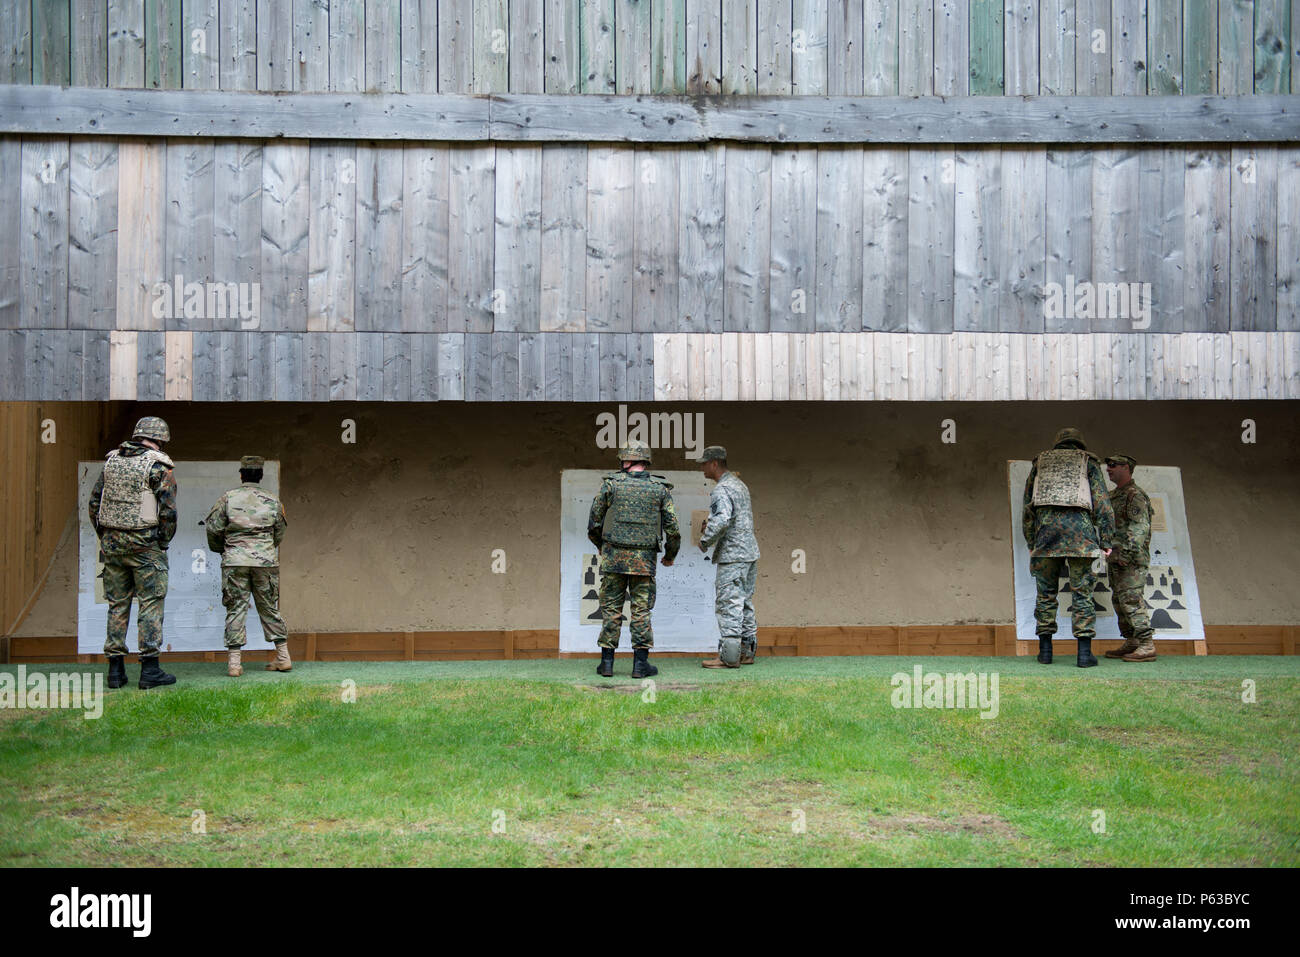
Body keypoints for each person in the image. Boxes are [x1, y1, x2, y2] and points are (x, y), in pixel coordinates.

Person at [87, 415, 178, 690]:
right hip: (145, 547)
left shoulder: (111, 462)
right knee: (150, 604)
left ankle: (115, 672)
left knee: (117, 605)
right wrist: (162, 541)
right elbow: (169, 512)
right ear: (159, 439)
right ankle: (149, 670)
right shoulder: (159, 466)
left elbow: (94, 504)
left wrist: (106, 536)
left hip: (113, 546)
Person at [1023, 427, 1115, 667]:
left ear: (1057, 444)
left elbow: (1028, 506)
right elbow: (1102, 503)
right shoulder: (1088, 462)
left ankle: (1045, 652)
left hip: (1046, 537)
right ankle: (1084, 654)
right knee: (1082, 593)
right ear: (1080, 444)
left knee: (1045, 594)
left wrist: (1032, 542)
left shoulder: (1040, 463)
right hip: (1081, 538)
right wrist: (1106, 540)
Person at [587, 445, 681, 678]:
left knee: (611, 609)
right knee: (641, 611)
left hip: (614, 560)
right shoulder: (659, 489)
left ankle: (607, 664)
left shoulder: (610, 485)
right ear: (646, 462)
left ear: (625, 461)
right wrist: (670, 556)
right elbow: (673, 529)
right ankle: (640, 665)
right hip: (643, 561)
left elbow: (594, 523)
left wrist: (601, 546)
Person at [205, 456, 290, 676]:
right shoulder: (273, 500)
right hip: (265, 562)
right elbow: (279, 532)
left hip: (235, 560)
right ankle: (283, 657)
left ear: (241, 474)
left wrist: (223, 550)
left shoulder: (228, 498)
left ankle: (234, 664)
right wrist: (265, 550)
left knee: (236, 608)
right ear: (260, 476)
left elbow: (213, 529)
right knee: (269, 607)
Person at [697, 446, 760, 669]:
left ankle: (729, 657)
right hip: (749, 553)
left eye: (704, 463)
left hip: (733, 555)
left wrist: (705, 540)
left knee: (728, 603)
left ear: (714, 463)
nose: (702, 467)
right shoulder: (739, 485)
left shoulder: (722, 489)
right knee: (744, 602)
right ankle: (747, 652)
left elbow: (722, 520)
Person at [1104, 453, 1157, 662]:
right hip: (1116, 558)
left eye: (1113, 465)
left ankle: (1147, 644)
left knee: (1131, 599)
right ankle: (1132, 641)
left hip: (1131, 558)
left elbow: (1139, 527)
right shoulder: (1114, 495)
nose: (1108, 468)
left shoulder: (1134, 495)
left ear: (1126, 467)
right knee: (1119, 600)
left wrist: (1126, 553)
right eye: (1107, 465)